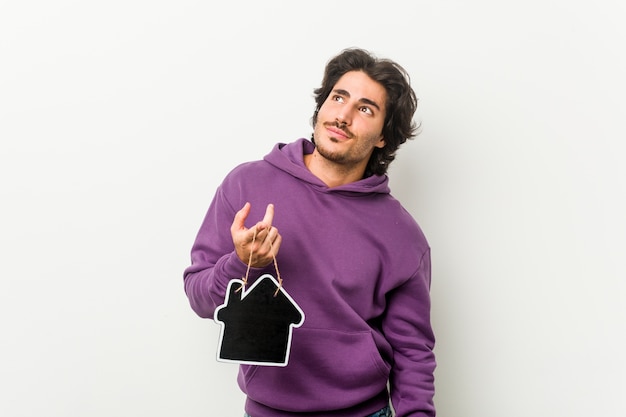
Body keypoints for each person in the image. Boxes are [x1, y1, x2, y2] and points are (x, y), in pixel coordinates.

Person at [183, 47, 436, 417]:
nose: (343, 115)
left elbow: (413, 352)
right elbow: (199, 298)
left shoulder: (402, 235)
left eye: (366, 109)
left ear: (384, 136)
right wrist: (240, 263)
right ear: (321, 106)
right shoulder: (246, 186)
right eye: (338, 97)